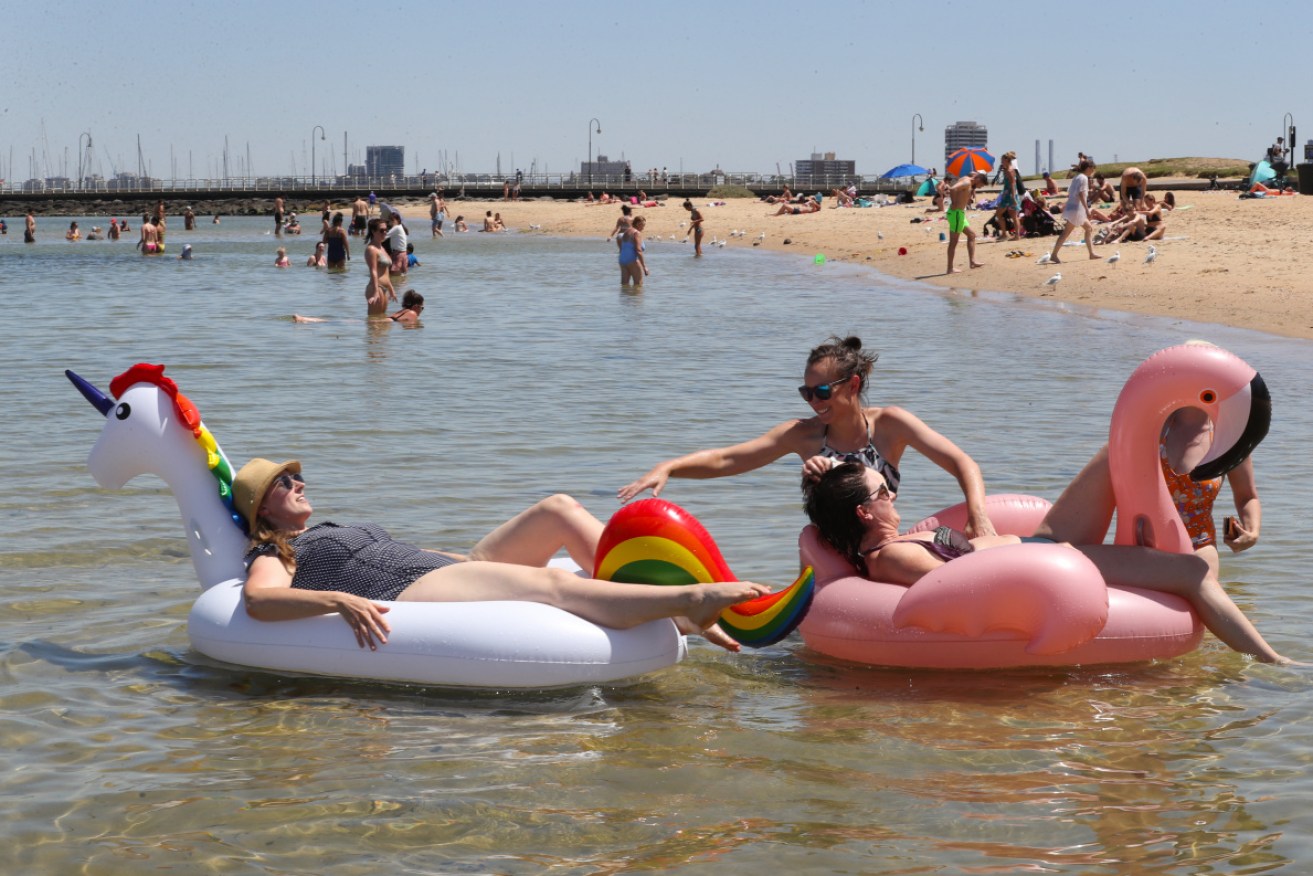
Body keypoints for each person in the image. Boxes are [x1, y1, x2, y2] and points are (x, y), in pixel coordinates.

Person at [234, 459, 769, 651]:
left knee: (558, 508)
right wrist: (341, 601)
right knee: (548, 588)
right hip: (407, 591)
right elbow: (259, 600)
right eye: (285, 482)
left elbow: (399, 549)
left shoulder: (328, 526)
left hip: (441, 565)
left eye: (297, 475)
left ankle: (673, 605)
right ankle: (687, 603)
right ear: (264, 510)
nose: (299, 482)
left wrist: (473, 563)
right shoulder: (276, 548)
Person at [803, 455, 1290, 663]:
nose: (893, 492)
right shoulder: (892, 559)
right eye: (884, 491)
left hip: (1040, 546)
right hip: (1055, 563)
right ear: (866, 512)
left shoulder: (892, 544)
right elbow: (968, 586)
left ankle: (1179, 504)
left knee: (1116, 453)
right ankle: (1271, 663)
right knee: (1190, 573)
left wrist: (823, 473)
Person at [618, 335, 997, 537]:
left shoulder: (891, 425)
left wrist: (977, 514)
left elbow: (961, 462)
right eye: (806, 392)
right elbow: (729, 460)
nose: (813, 402)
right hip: (829, 549)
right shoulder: (804, 436)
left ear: (852, 385)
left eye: (821, 392)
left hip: (875, 540)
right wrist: (670, 467)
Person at [1048, 159, 1099, 264]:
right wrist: (1086, 209)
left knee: (1088, 228)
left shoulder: (1077, 177)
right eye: (1093, 169)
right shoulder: (1084, 178)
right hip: (1077, 209)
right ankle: (1053, 255)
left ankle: (1091, 254)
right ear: (1089, 168)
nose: (1093, 171)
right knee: (1066, 232)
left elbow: (1072, 193)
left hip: (1072, 207)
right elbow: (1081, 194)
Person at [945, 171, 988, 274]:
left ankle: (972, 262)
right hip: (956, 214)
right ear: (978, 180)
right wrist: (955, 203)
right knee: (953, 242)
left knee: (972, 235)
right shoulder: (967, 182)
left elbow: (970, 176)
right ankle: (950, 268)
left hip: (960, 214)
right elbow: (953, 188)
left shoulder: (968, 180)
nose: (979, 187)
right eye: (980, 185)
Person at [364, 217, 397, 317]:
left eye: (386, 230)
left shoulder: (382, 248)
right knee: (374, 323)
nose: (385, 232)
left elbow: (385, 272)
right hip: (376, 288)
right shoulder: (371, 249)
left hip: (384, 289)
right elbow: (373, 270)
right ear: (373, 231)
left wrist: (391, 289)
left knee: (382, 322)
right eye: (381, 230)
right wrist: (375, 292)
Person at [993, 151, 1021, 241]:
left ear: (1006, 160)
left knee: (1006, 214)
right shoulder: (1007, 169)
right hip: (1007, 194)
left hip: (1009, 195)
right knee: (1011, 215)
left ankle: (1011, 235)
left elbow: (1013, 184)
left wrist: (1013, 197)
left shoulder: (1009, 170)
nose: (1001, 162)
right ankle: (1009, 235)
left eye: (1002, 160)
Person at [619, 214, 649, 286]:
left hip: (622, 260)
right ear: (638, 224)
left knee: (624, 286)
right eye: (643, 226)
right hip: (632, 260)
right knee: (638, 285)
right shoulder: (636, 233)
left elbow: (623, 247)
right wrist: (644, 266)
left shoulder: (626, 232)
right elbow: (638, 250)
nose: (643, 228)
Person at [385, 213, 408, 277]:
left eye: (393, 220)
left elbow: (385, 237)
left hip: (398, 253)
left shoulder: (396, 228)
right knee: (402, 274)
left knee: (393, 273)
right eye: (390, 220)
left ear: (398, 220)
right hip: (403, 253)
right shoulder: (400, 227)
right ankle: (401, 285)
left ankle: (396, 285)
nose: (391, 222)